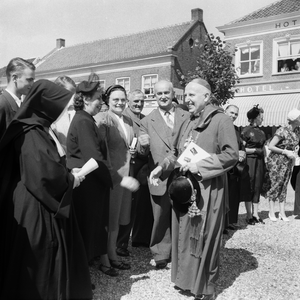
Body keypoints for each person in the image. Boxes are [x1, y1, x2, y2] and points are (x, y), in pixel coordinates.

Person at [0, 79, 92, 299]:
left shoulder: (35, 127)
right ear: (47, 105)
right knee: (41, 259)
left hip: (35, 199)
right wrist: (71, 179)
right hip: (35, 204)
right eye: (61, 106)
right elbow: (42, 173)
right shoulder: (30, 131)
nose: (63, 111)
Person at [149, 78, 238, 300]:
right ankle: (186, 281)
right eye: (185, 95)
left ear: (206, 97)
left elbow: (231, 155)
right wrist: (161, 168)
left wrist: (200, 165)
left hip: (209, 189)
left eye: (191, 95)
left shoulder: (222, 120)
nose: (186, 99)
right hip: (185, 188)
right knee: (185, 233)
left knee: (204, 235)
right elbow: (176, 152)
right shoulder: (186, 120)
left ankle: (206, 286)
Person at [66, 78, 118, 276]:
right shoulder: (83, 121)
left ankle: (83, 275)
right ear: (86, 99)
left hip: (89, 184)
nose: (101, 103)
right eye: (98, 99)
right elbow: (94, 157)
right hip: (87, 185)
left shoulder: (84, 119)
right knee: (87, 229)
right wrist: (113, 180)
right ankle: (81, 278)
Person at [138, 80, 189, 269]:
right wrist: (142, 145)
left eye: (166, 92)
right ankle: (160, 254)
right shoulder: (146, 121)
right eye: (158, 93)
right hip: (159, 176)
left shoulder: (186, 116)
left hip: (182, 174)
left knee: (183, 214)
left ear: (172, 93)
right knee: (160, 216)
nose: (163, 96)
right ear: (154, 96)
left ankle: (181, 252)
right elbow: (142, 154)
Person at [96, 84, 139, 271]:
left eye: (123, 99)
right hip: (112, 177)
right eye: (116, 99)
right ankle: (105, 257)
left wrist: (134, 149)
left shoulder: (128, 121)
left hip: (126, 176)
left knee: (118, 217)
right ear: (107, 101)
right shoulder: (103, 119)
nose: (120, 103)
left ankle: (112, 251)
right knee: (109, 218)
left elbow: (128, 145)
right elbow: (100, 150)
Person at [116, 90, 153, 256]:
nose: (139, 104)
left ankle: (130, 240)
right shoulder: (123, 118)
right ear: (128, 101)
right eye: (135, 101)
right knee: (124, 207)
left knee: (135, 207)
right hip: (125, 168)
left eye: (141, 101)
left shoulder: (144, 119)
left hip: (140, 168)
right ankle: (119, 243)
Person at [263, 109, 300, 222]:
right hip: (277, 161)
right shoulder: (282, 130)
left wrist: (295, 150)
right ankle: (271, 211)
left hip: (288, 161)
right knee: (275, 184)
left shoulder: (297, 131)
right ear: (294, 119)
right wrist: (285, 152)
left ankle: (282, 212)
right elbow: (271, 146)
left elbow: (294, 144)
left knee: (284, 185)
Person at [225, 105, 251, 230]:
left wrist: (243, 152)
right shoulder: (220, 127)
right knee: (223, 196)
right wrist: (237, 153)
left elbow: (241, 146)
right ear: (225, 112)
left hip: (234, 168)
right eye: (231, 112)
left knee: (233, 195)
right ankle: (222, 224)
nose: (233, 116)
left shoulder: (236, 129)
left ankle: (230, 221)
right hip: (224, 167)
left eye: (236, 114)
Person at [241, 105, 266, 225]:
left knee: (257, 185)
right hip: (250, 161)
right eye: (261, 117)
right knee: (249, 185)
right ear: (255, 117)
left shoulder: (261, 132)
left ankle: (256, 214)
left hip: (260, 161)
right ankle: (249, 215)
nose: (262, 119)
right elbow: (241, 149)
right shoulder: (246, 131)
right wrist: (255, 150)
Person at [0, 57, 35, 139]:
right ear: (14, 78)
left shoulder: (22, 104)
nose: (32, 84)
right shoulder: (2, 104)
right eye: (29, 80)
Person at [51, 76, 76, 151]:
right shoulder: (52, 113)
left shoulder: (75, 111)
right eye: (69, 93)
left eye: (74, 94)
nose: (72, 98)